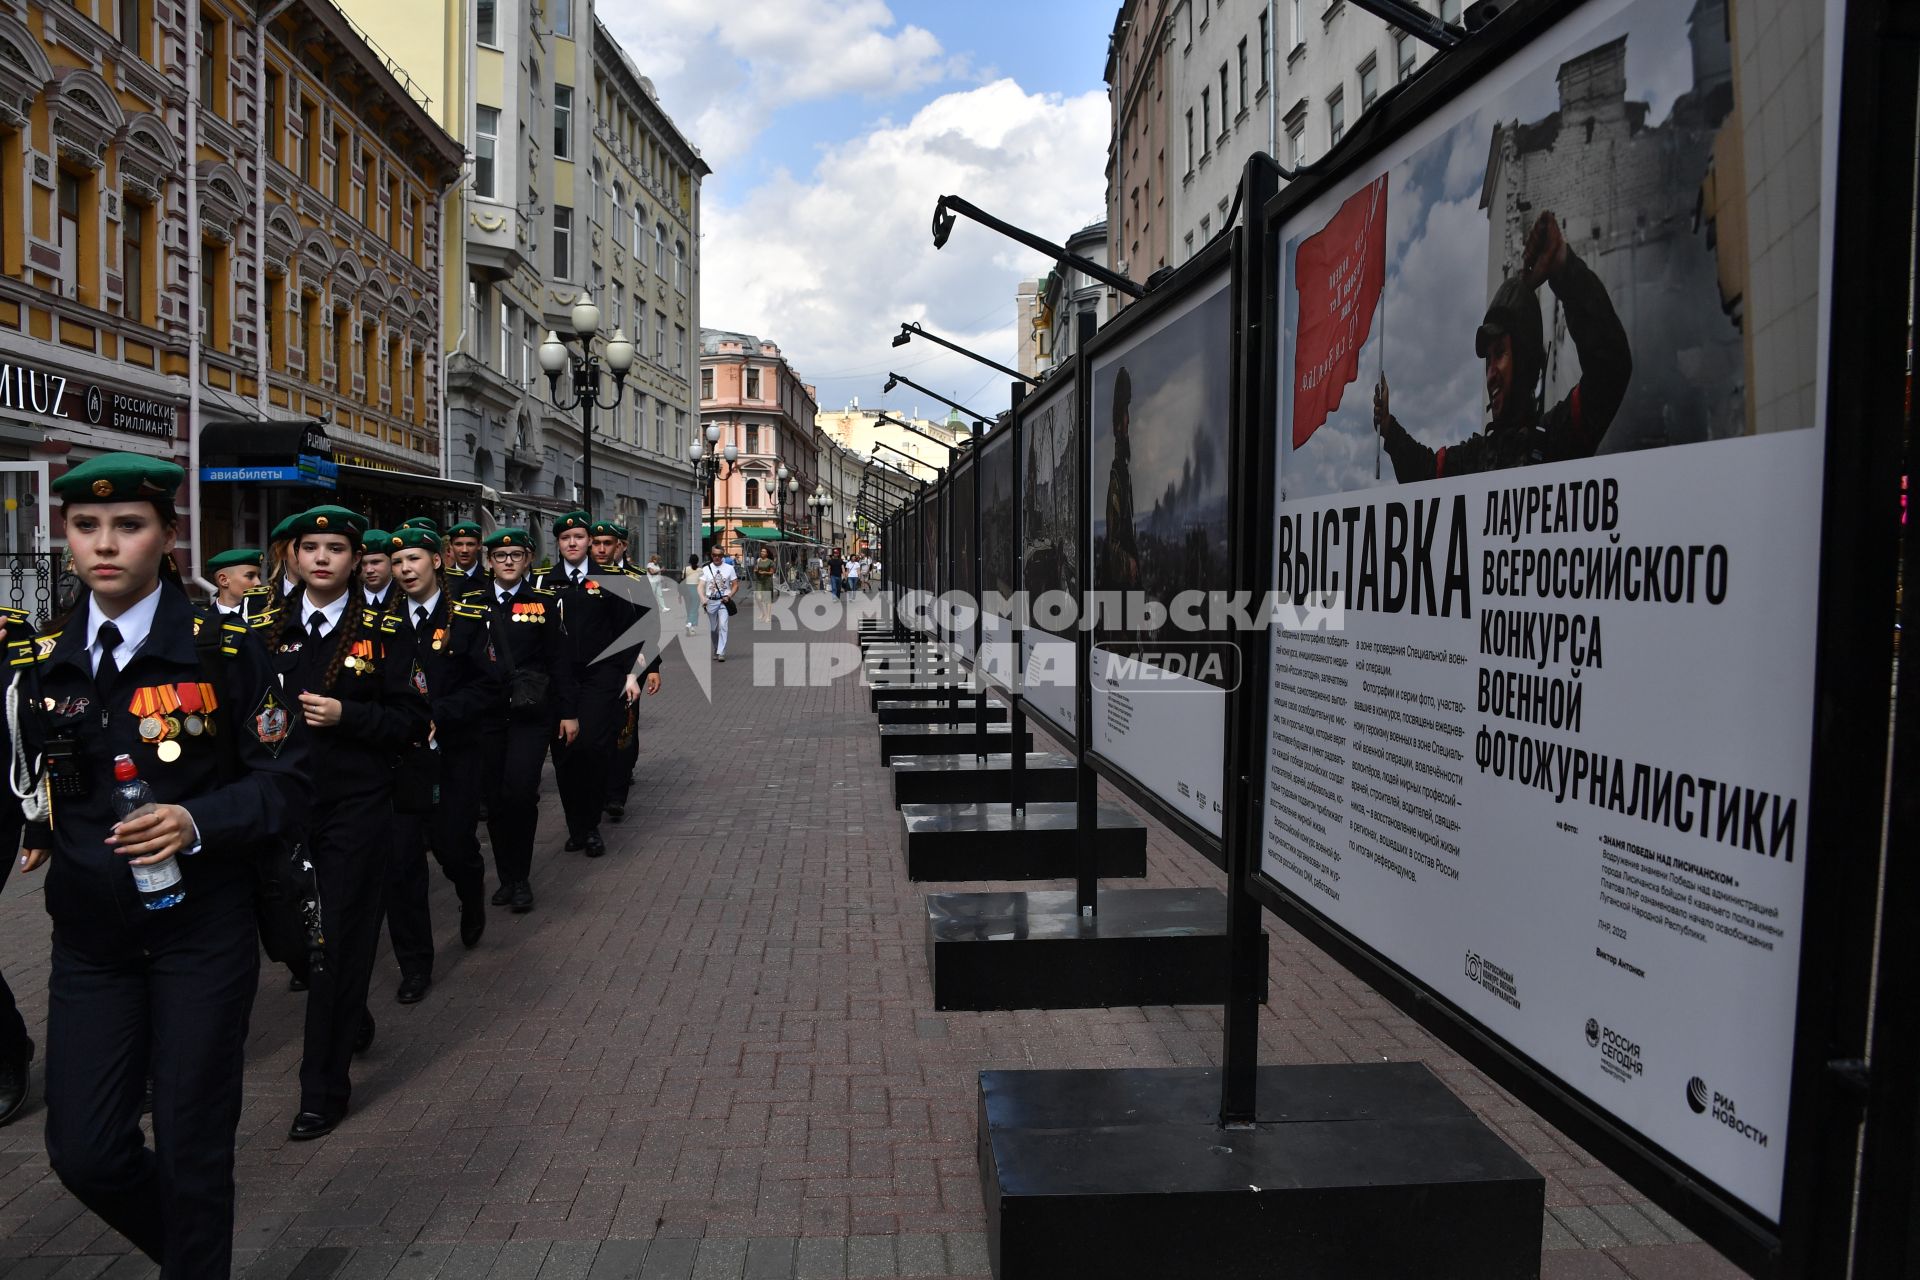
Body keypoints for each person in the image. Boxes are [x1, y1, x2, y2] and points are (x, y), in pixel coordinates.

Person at [12, 453, 309, 1276]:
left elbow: (290, 780)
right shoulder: (42, 658)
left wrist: (196, 819)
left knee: (192, 1144)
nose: (105, 544)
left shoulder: (223, 647)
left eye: (129, 525)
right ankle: (189, 1255)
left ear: (168, 536)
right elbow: (42, 781)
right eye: (85, 526)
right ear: (64, 535)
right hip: (90, 945)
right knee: (86, 1151)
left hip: (199, 937)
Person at [250, 504, 427, 1141]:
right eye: (311, 546)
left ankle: (321, 1091)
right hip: (280, 808)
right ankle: (350, 1014)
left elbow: (410, 721)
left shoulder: (382, 630)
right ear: (293, 557)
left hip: (355, 809)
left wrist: (349, 717)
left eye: (336, 548)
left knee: (337, 946)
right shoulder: (263, 627)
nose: (322, 557)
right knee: (289, 941)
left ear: (355, 561)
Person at [1373, 209, 1632, 481]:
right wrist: (1389, 427)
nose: (1491, 372)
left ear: (1525, 359)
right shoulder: (1473, 459)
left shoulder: (1557, 440)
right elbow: (1426, 470)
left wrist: (1564, 269)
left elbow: (1610, 368)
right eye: (1487, 359)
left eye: (1499, 354)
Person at [382, 527, 498, 1005]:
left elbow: (490, 686)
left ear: (437, 560)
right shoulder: (381, 622)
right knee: (402, 864)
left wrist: (442, 717)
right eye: (397, 562)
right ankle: (415, 965)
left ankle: (472, 894)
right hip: (400, 761)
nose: (405, 569)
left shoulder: (467, 617)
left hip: (455, 755)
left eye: (414, 559)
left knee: (454, 849)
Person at [533, 511, 659, 857]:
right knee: (564, 754)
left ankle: (589, 826)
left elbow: (630, 632)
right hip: (559, 681)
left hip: (601, 678)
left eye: (578, 537)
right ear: (558, 544)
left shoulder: (612, 580)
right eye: (564, 538)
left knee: (593, 747)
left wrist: (632, 675)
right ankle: (577, 826)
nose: (572, 543)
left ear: (588, 542)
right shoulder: (544, 582)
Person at [480, 528, 577, 912]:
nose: (507, 561)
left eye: (515, 555)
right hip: (485, 714)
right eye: (500, 555)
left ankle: (520, 878)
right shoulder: (470, 603)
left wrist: (569, 712)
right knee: (494, 798)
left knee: (521, 793)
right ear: (489, 561)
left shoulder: (543, 602)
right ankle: (506, 876)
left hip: (531, 713)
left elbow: (560, 660)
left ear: (527, 561)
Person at [1102, 366, 1141, 592]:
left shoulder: (1122, 472)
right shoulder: (1117, 475)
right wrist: (1130, 563)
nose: (1129, 421)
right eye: (1126, 412)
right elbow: (1113, 541)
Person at [700, 543, 739, 661]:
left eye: (719, 555)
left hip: (723, 602)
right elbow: (700, 585)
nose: (716, 557)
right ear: (711, 555)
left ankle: (721, 651)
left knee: (723, 626)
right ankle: (717, 648)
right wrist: (702, 598)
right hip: (710, 602)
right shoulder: (706, 569)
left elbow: (736, 585)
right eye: (714, 555)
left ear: (723, 555)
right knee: (713, 629)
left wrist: (730, 595)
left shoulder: (729, 568)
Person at [205, 547, 262, 617]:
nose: (258, 583)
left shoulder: (267, 616)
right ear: (224, 580)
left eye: (259, 576)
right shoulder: (202, 621)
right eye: (250, 576)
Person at [357, 529, 397, 612]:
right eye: (362, 564)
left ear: (391, 562)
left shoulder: (407, 598)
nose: (369, 570)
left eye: (375, 562)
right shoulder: (349, 599)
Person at [444, 521, 488, 593]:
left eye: (470, 544)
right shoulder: (443, 580)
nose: (464, 550)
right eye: (458, 544)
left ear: (479, 545)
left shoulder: (490, 580)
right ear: (450, 545)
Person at [752, 545, 775, 622]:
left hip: (767, 581)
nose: (762, 552)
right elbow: (755, 568)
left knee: (767, 599)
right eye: (761, 551)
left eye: (764, 551)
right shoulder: (758, 560)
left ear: (767, 553)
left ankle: (768, 616)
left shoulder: (770, 562)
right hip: (759, 581)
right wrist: (755, 570)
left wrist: (765, 572)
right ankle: (762, 612)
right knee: (758, 598)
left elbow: (772, 572)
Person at [682, 555, 703, 634]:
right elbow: (702, 583)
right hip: (696, 589)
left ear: (689, 561)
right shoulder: (700, 570)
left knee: (688, 608)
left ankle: (692, 627)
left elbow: (681, 581)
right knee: (694, 608)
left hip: (686, 590)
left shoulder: (685, 569)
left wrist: (680, 594)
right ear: (697, 561)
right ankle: (690, 624)